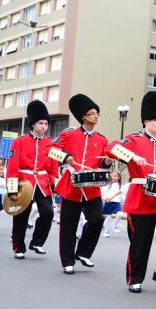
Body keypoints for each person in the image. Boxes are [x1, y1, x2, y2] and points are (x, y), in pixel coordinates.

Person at [104, 91, 156, 293]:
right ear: (145, 120)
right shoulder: (134, 140)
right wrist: (131, 156)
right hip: (141, 198)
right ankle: (135, 279)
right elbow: (111, 148)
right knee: (140, 242)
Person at [49, 94, 112, 274]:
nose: (96, 116)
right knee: (69, 224)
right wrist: (66, 157)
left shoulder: (102, 139)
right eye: (92, 113)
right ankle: (67, 261)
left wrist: (106, 162)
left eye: (97, 113)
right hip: (71, 185)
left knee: (97, 218)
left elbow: (101, 163)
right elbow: (52, 150)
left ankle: (83, 252)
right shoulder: (68, 134)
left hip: (92, 187)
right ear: (84, 117)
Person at [6, 100, 59, 259]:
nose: (44, 126)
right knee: (21, 216)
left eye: (46, 123)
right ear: (33, 124)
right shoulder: (19, 141)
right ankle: (19, 247)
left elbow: (53, 167)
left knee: (48, 212)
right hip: (24, 181)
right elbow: (13, 167)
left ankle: (36, 242)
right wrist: (12, 188)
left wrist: (53, 186)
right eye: (41, 123)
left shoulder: (50, 143)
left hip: (42, 183)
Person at [102, 171, 124, 238]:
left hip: (117, 203)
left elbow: (122, 195)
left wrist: (122, 199)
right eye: (112, 175)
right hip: (109, 203)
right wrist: (105, 198)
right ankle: (106, 232)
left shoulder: (120, 186)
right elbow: (103, 193)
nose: (113, 177)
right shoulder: (108, 185)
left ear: (119, 178)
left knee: (120, 214)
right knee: (108, 217)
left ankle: (115, 226)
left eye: (115, 176)